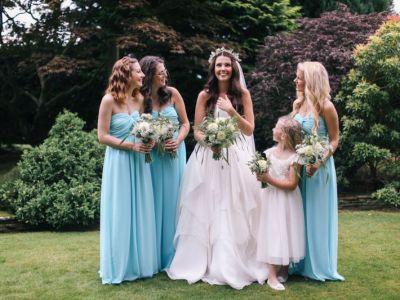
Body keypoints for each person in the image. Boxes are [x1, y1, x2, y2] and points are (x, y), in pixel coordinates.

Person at [166, 47, 267, 289]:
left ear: (233, 69)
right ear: (213, 69)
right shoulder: (204, 95)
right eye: (219, 65)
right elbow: (198, 130)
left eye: (227, 65)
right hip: (209, 157)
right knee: (208, 205)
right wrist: (210, 143)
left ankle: (234, 262)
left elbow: (250, 129)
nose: (223, 69)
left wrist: (232, 112)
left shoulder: (242, 94)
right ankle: (204, 261)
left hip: (237, 157)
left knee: (234, 206)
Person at [97, 56, 158, 284]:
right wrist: (131, 145)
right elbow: (102, 136)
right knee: (121, 210)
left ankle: (139, 263)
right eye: (138, 72)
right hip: (120, 161)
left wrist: (149, 140)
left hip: (139, 162)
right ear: (126, 75)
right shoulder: (108, 101)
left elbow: (144, 128)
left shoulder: (140, 99)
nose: (142, 75)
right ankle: (119, 266)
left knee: (140, 208)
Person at [290, 61, 344, 281]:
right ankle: (299, 262)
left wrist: (318, 161)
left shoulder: (326, 106)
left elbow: (334, 140)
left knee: (316, 215)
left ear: (311, 79)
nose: (295, 80)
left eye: (299, 76)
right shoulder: (299, 103)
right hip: (299, 166)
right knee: (298, 214)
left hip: (318, 168)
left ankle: (319, 266)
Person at [139, 56, 190, 271]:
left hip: (173, 156)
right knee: (153, 203)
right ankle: (153, 257)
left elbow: (186, 124)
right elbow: (139, 127)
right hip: (152, 158)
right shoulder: (141, 99)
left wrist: (177, 140)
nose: (164, 75)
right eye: (160, 72)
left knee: (174, 202)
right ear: (149, 74)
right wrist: (149, 138)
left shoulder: (173, 94)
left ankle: (176, 254)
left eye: (165, 71)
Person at [256, 116, 305, 291]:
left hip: (288, 200)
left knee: (288, 230)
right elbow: (262, 178)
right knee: (273, 232)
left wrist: (268, 178)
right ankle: (271, 276)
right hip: (271, 199)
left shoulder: (296, 157)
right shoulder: (268, 153)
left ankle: (285, 268)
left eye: (275, 127)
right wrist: (261, 175)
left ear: (283, 135)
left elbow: (292, 185)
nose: (272, 130)